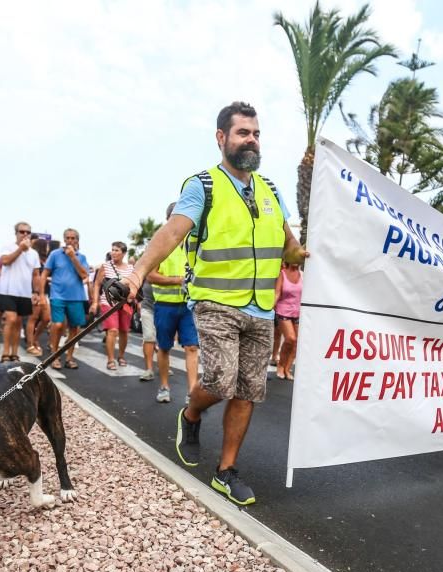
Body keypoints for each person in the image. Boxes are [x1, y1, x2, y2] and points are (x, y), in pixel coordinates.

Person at [124, 101, 308, 506]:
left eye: (257, 133)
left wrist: (305, 254)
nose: (252, 140)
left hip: (261, 307)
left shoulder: (271, 190)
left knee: (247, 392)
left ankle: (226, 471)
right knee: (222, 381)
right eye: (243, 133)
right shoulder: (203, 185)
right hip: (216, 302)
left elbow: (288, 246)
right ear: (222, 138)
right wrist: (136, 274)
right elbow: (173, 231)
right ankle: (190, 416)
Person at [149, 201, 199, 404]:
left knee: (192, 348)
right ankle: (164, 386)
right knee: (164, 347)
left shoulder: (194, 243)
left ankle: (193, 393)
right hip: (165, 306)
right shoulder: (160, 244)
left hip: (188, 306)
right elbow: (151, 276)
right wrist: (177, 280)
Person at [44, 228, 90, 370]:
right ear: (64, 239)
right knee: (57, 325)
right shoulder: (55, 254)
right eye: (68, 238)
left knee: (74, 328)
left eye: (73, 238)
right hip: (58, 295)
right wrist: (40, 294)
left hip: (76, 297)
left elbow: (84, 275)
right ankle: (54, 355)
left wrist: (73, 258)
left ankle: (69, 357)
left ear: (77, 240)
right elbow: (45, 273)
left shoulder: (81, 257)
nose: (70, 240)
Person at [0, 222, 40, 362]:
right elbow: (6, 261)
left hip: (24, 292)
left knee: (19, 322)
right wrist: (20, 249)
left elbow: (35, 274)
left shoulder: (34, 253)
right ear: (16, 233)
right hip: (7, 290)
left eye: (28, 232)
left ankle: (14, 352)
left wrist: (36, 292)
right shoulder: (8, 247)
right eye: (22, 232)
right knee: (11, 319)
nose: (25, 234)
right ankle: (5, 352)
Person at [91, 241, 134, 370]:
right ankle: (110, 360)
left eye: (117, 250)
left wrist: (132, 297)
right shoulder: (105, 266)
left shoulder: (131, 268)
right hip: (108, 302)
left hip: (125, 303)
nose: (113, 253)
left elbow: (134, 284)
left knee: (124, 331)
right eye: (112, 250)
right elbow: (97, 284)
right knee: (113, 330)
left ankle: (121, 356)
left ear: (124, 253)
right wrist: (95, 301)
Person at [274, 262, 302, 380]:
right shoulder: (282, 274)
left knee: (297, 343)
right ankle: (280, 365)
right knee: (291, 338)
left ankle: (287, 368)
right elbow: (277, 293)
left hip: (298, 312)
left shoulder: (303, 275)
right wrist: (269, 308)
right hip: (283, 311)